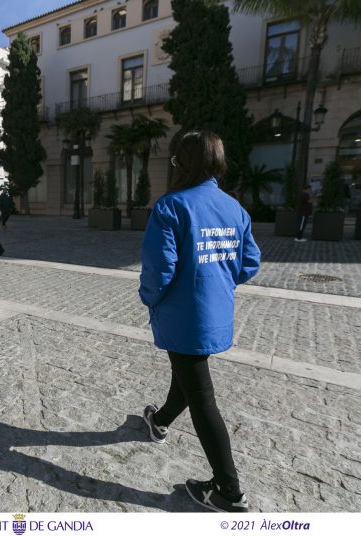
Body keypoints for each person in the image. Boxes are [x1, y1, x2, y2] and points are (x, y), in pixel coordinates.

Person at [139, 130, 260, 513]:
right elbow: (249, 263)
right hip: (216, 314)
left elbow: (160, 270)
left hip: (182, 315)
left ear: (181, 164)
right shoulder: (234, 209)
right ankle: (158, 420)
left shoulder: (171, 207)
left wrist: (149, 298)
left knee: (202, 396)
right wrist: (219, 280)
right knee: (187, 374)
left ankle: (229, 490)